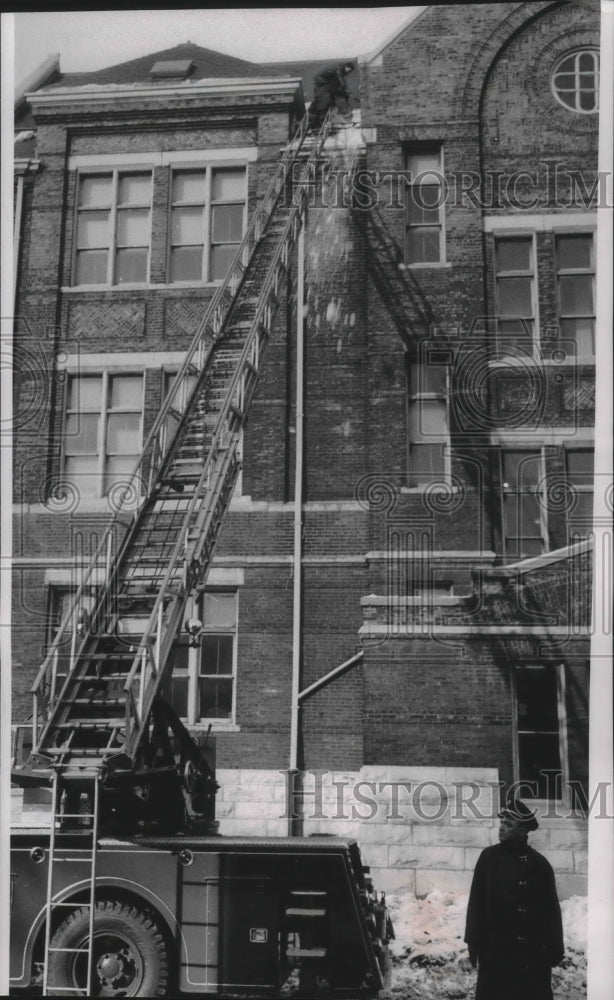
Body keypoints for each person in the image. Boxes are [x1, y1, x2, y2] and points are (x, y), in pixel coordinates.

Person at [464, 797, 564, 1000]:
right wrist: (473, 941)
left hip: (532, 955)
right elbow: (476, 903)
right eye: (501, 823)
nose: (501, 828)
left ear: (523, 830)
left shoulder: (540, 865)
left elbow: (552, 910)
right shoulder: (488, 859)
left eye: (508, 824)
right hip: (496, 952)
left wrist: (555, 947)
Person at [308, 62, 355, 130]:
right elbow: (340, 82)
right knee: (324, 106)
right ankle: (319, 124)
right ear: (347, 67)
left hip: (322, 92)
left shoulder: (337, 74)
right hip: (325, 92)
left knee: (319, 106)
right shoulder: (338, 72)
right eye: (349, 69)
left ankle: (315, 123)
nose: (349, 71)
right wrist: (344, 91)